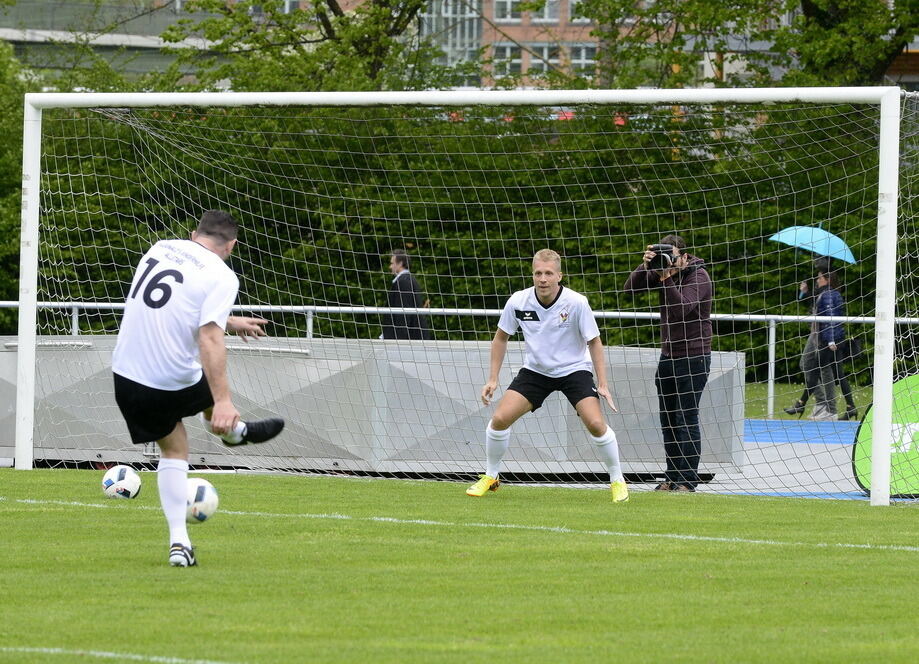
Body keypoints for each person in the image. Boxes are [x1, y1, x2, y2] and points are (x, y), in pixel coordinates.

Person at [112, 210, 285, 567]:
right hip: (169, 381)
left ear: (194, 234)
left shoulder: (161, 247)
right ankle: (234, 431)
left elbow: (173, 307)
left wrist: (228, 321)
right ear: (231, 246)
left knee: (172, 448)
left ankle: (180, 544)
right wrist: (224, 401)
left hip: (125, 377)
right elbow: (209, 338)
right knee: (198, 411)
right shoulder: (221, 275)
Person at [466, 249, 628, 503]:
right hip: (536, 371)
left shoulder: (576, 302)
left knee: (596, 424)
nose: (543, 279)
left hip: (574, 369)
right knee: (499, 419)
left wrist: (603, 383)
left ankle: (617, 480)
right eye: (538, 273)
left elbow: (594, 341)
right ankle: (491, 476)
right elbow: (500, 338)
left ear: (559, 276)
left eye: (549, 273)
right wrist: (492, 379)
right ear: (532, 274)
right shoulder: (518, 301)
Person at [623, 235, 713, 492]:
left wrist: (665, 277)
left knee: (686, 417)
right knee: (669, 419)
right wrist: (645, 266)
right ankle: (672, 476)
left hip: (694, 357)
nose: (668, 261)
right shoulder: (664, 271)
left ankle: (688, 480)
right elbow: (630, 291)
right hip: (668, 356)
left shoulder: (699, 276)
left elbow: (681, 309)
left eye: (672, 256)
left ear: (684, 256)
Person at [784, 270, 858, 421]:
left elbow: (831, 318)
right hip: (827, 337)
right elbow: (818, 308)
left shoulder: (829, 294)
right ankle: (850, 407)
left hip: (828, 338)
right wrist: (805, 293)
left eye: (819, 278)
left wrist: (830, 340)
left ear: (827, 279)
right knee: (836, 373)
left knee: (816, 370)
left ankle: (804, 404)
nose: (817, 280)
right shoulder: (826, 292)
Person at [381, 250, 432, 340]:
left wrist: (399, 341)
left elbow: (403, 315)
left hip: (408, 339)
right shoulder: (408, 279)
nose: (390, 266)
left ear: (400, 263)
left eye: (392, 263)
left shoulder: (404, 282)